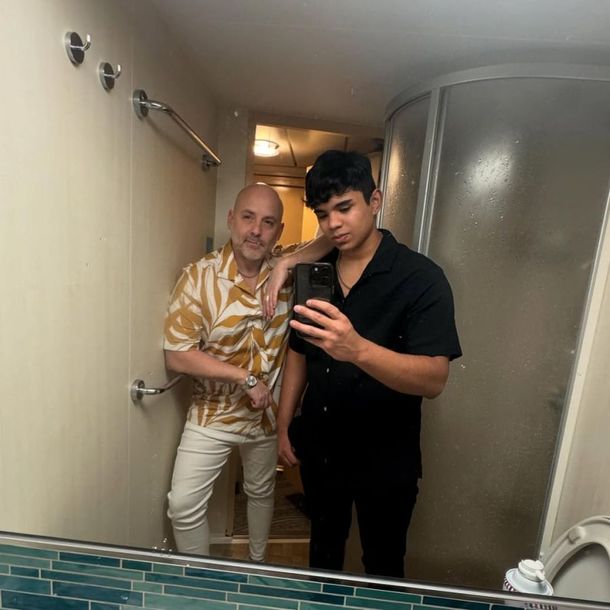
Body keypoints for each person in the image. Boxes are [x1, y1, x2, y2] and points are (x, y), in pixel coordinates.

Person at [276, 150, 462, 578]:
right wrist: (284, 424)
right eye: (323, 214)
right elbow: (299, 351)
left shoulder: (420, 278)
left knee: (383, 565)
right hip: (321, 449)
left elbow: (434, 379)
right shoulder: (315, 274)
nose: (333, 224)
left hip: (386, 457)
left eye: (345, 208)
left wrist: (357, 348)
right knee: (322, 556)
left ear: (374, 201)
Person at [163, 183, 328, 561]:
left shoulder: (289, 271)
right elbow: (177, 355)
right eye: (248, 217)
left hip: (268, 417)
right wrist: (244, 378)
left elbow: (331, 239)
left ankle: (256, 567)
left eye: (268, 223)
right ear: (231, 219)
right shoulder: (198, 278)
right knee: (182, 505)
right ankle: (199, 579)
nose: (256, 230)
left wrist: (285, 264)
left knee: (261, 492)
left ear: (279, 231)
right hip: (213, 413)